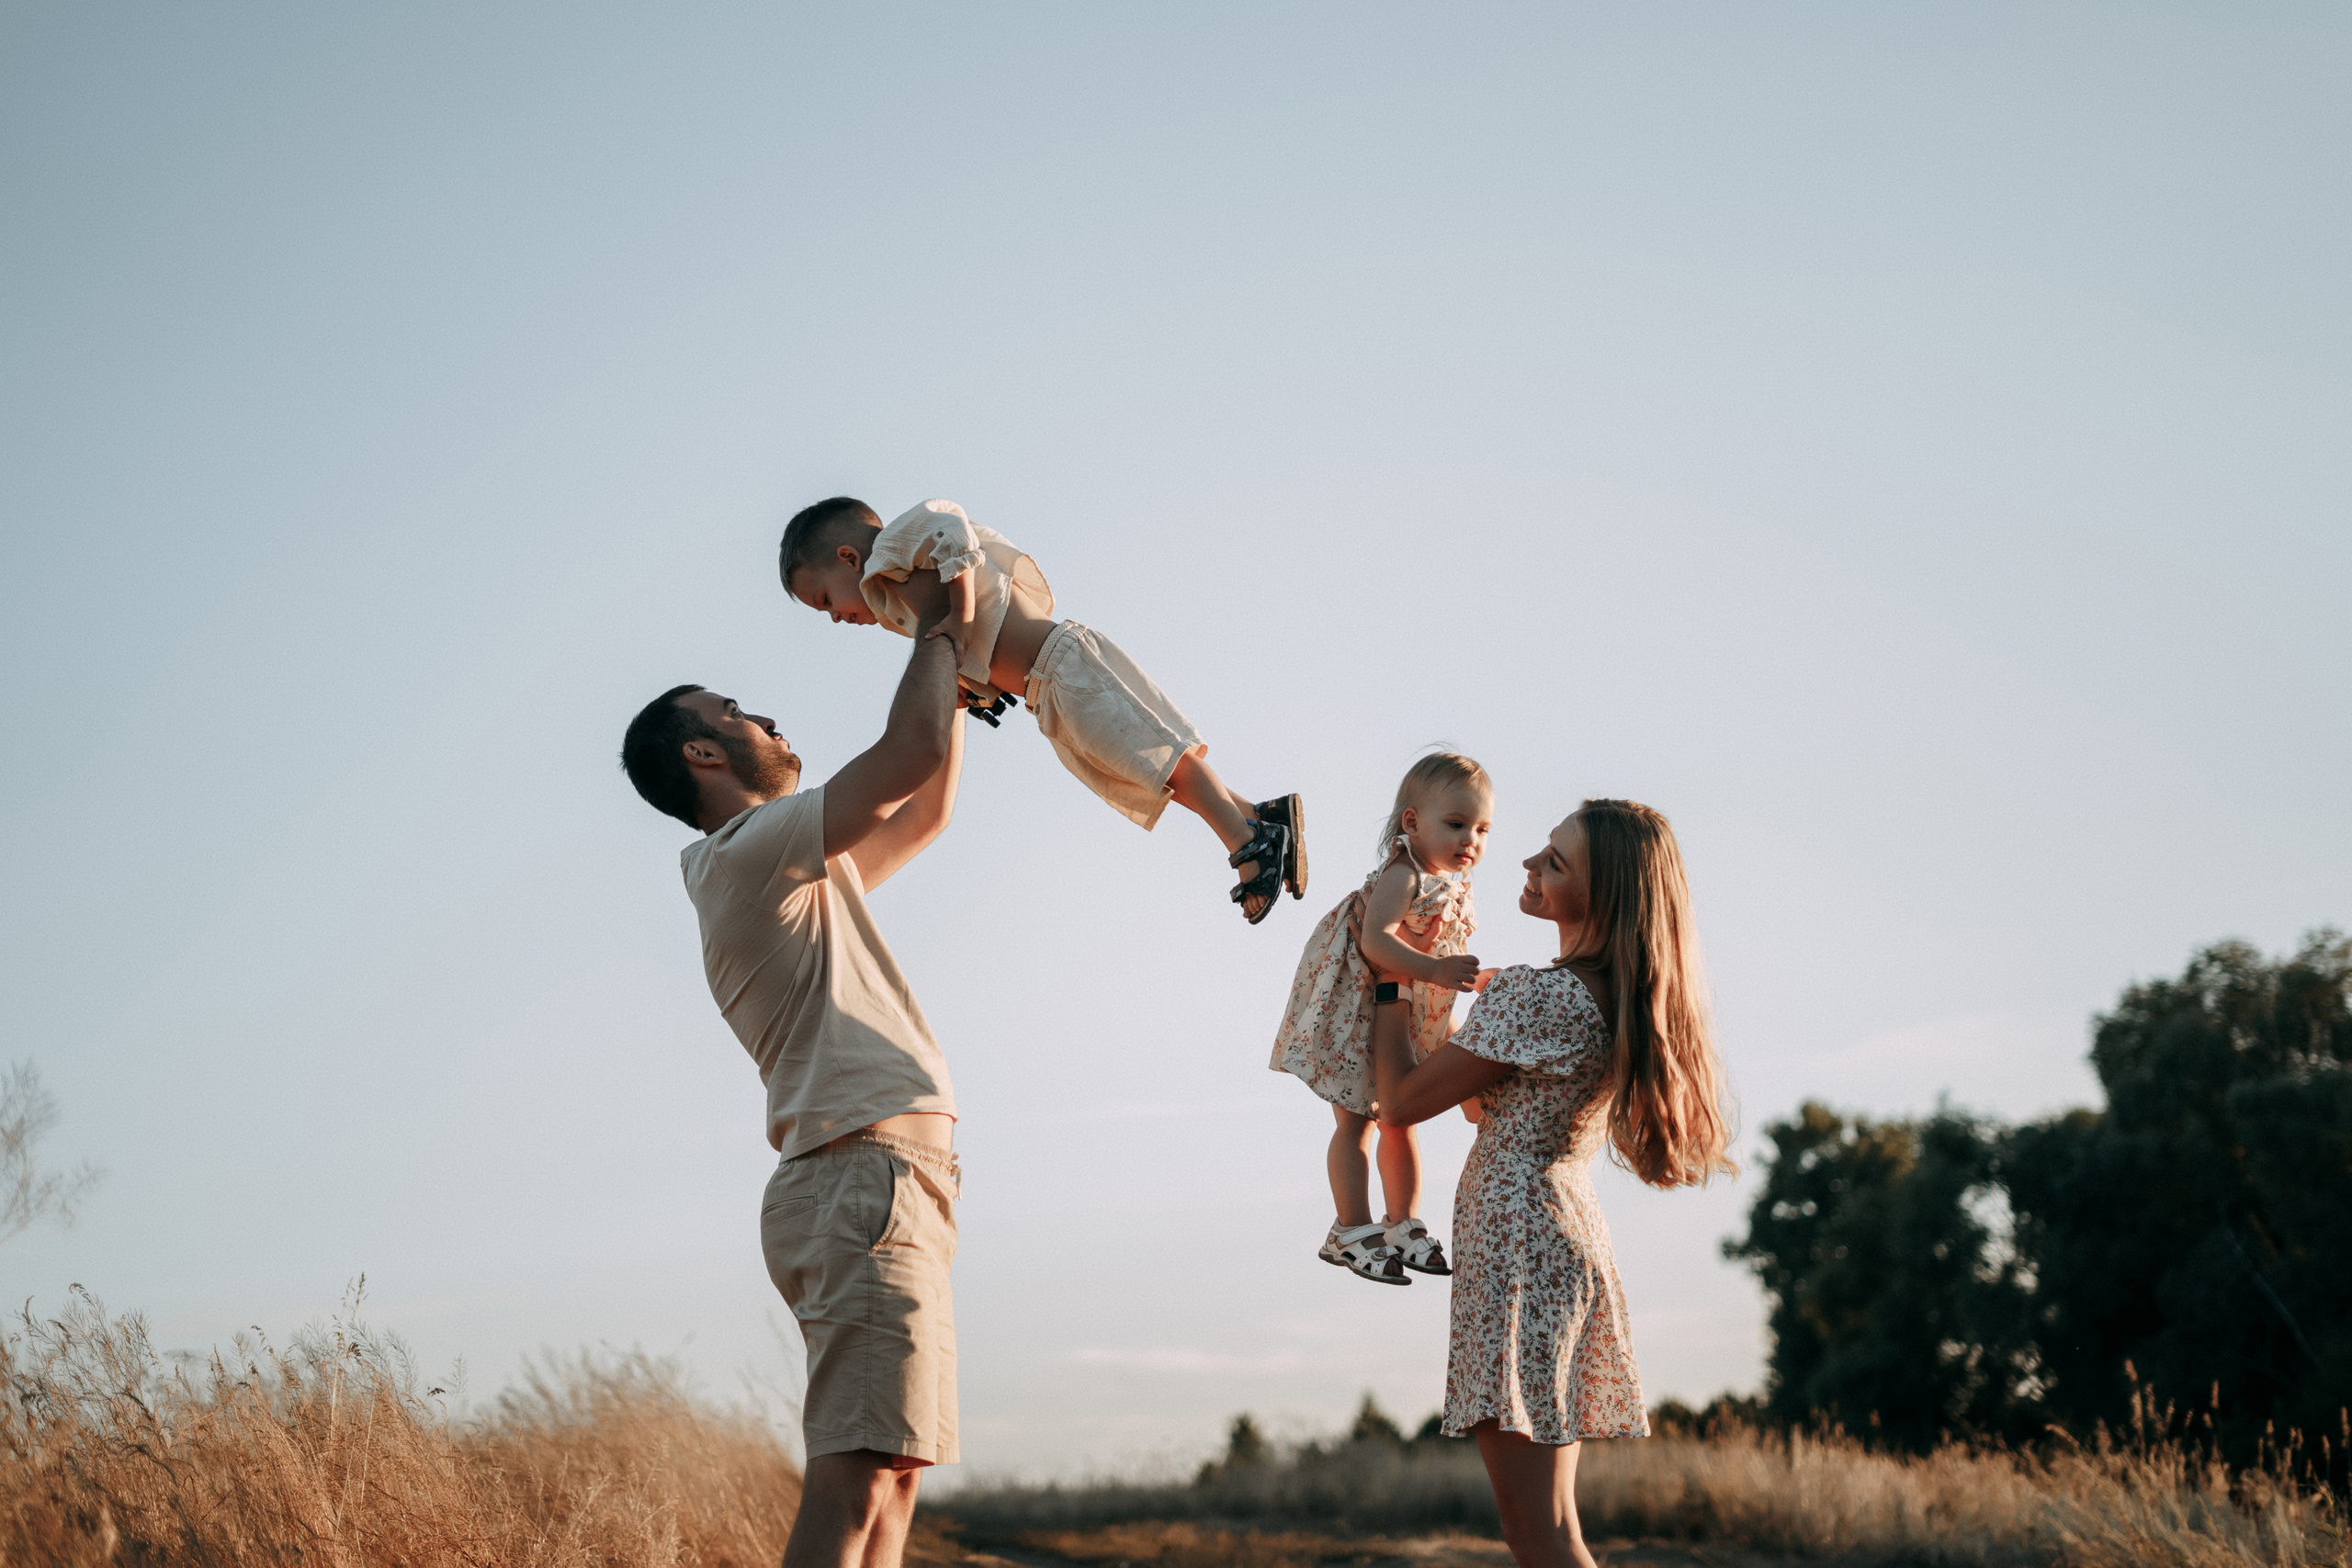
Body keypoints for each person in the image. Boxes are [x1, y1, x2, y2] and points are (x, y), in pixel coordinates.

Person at [619, 581, 966, 1568]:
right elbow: (908, 756)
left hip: (894, 1181)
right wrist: (935, 625)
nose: (763, 718)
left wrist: (962, 675)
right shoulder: (746, 850)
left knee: (893, 1479)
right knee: (856, 1478)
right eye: (735, 713)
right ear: (702, 751)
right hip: (860, 1179)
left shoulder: (797, 867)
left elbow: (926, 804)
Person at [1364, 798, 1736, 1568]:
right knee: (1554, 1526)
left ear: (1599, 898)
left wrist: (1389, 974)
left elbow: (1399, 1101)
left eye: (1555, 861)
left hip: (1518, 1256)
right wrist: (1480, 1011)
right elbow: (1479, 1106)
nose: (1529, 863)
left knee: (1539, 1534)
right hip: (1558, 1244)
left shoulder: (1543, 994)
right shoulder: (1592, 995)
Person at [778, 495, 1308, 924]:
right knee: (1143, 773)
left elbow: (950, 530)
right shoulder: (892, 600)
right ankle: (1262, 816)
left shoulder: (890, 547)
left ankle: (1248, 843)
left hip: (1062, 665)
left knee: (1159, 757)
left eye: (825, 600)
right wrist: (969, 686)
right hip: (1045, 690)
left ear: (848, 557)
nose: (834, 618)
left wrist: (960, 616)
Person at [1270, 752, 1492, 1284]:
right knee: (1356, 1120)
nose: (1471, 841)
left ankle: (1402, 1222)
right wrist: (1436, 969)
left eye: (1482, 829)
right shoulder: (1405, 874)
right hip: (1363, 1005)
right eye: (1456, 825)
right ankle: (1350, 1228)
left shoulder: (1451, 887)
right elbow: (1375, 941)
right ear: (1412, 823)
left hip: (1410, 1006)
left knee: (1400, 1115)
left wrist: (1472, 979)